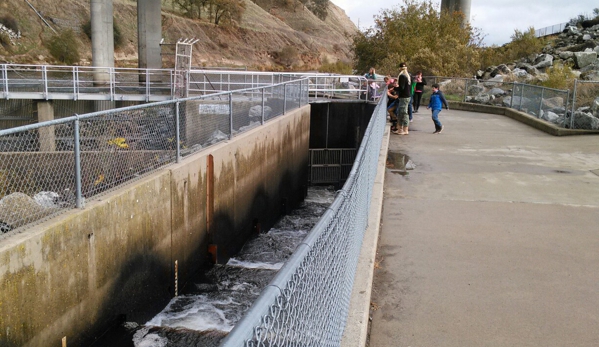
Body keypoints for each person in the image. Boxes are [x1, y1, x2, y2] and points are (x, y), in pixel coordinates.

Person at [393, 62, 411, 135]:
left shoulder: (402, 76)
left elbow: (401, 87)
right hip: (406, 96)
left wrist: (395, 88)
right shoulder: (408, 76)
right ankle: (401, 128)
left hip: (404, 97)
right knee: (402, 112)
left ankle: (404, 129)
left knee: (403, 113)